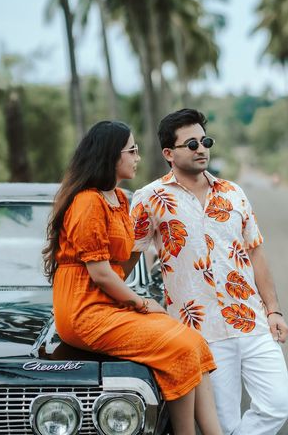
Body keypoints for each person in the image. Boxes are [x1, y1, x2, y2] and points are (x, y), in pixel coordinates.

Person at [42, 120, 223, 435]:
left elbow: (122, 264)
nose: (138, 157)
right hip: (84, 312)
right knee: (179, 348)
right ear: (111, 156)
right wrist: (141, 302)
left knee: (193, 342)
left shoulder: (119, 200)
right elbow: (100, 274)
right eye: (132, 151)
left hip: (108, 304)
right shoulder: (87, 202)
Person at [131, 109, 288, 435]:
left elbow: (256, 253)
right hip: (200, 332)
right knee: (222, 424)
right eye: (191, 144)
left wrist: (273, 309)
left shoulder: (233, 193)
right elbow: (128, 257)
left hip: (252, 320)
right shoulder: (149, 199)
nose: (201, 148)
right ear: (169, 154)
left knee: (278, 405)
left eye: (205, 141)